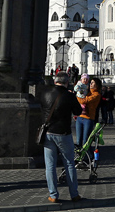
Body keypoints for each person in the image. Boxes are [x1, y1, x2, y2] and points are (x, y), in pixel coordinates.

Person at [42, 73, 83, 204]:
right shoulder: (69, 95)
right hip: (63, 133)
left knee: (50, 165)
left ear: (55, 81)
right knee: (70, 163)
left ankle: (53, 195)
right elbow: (78, 112)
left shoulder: (46, 93)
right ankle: (74, 194)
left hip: (48, 132)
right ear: (67, 82)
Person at [75, 77, 102, 148]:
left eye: (93, 83)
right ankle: (78, 155)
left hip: (88, 118)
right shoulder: (87, 91)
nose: (90, 84)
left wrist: (77, 96)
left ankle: (88, 156)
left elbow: (83, 101)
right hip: (80, 117)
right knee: (78, 140)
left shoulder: (96, 95)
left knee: (86, 140)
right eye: (91, 82)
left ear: (97, 85)